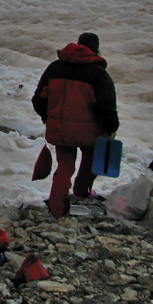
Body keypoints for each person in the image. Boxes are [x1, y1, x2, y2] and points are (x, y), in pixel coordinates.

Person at [31, 32, 119, 220]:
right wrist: (112, 127)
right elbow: (107, 106)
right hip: (90, 131)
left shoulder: (55, 68)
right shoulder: (98, 73)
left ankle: (57, 210)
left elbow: (38, 99)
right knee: (91, 156)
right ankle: (82, 191)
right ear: (96, 50)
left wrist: (48, 117)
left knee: (64, 166)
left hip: (61, 130)